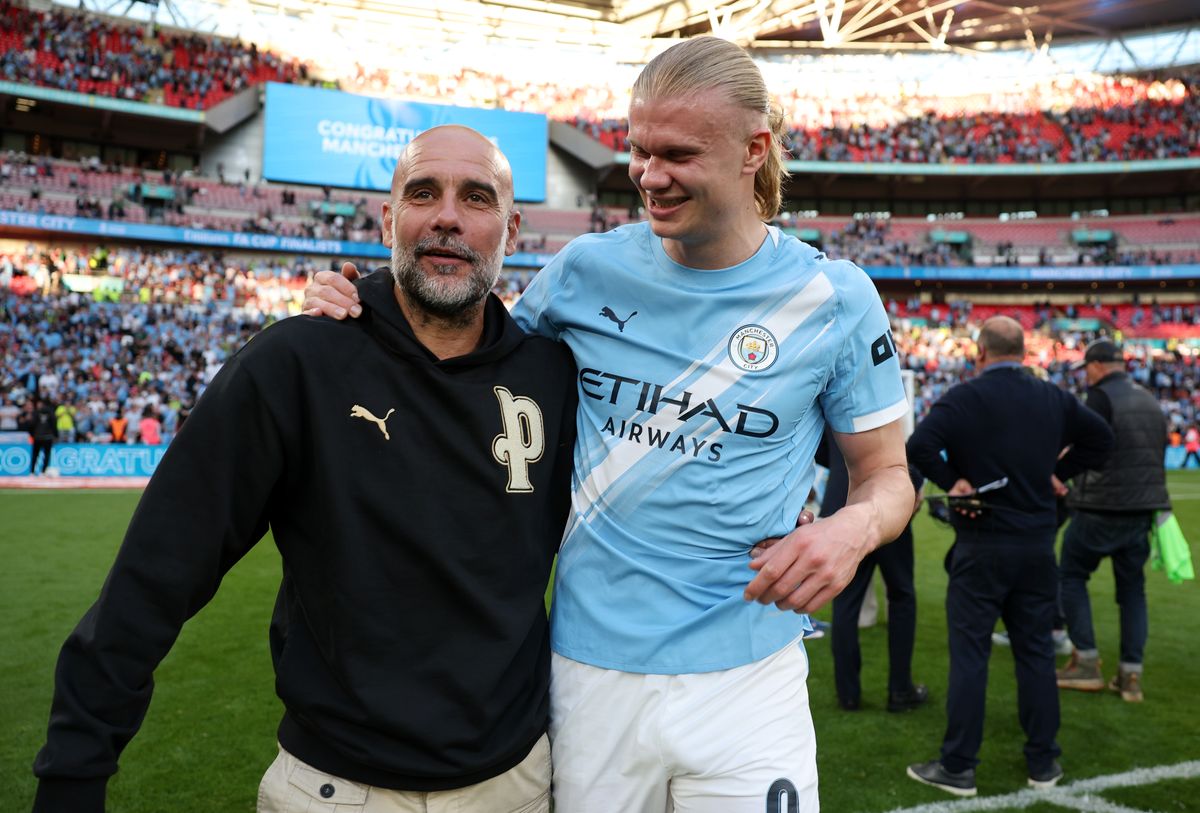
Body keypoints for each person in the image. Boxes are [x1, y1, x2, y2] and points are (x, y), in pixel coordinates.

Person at [303, 36, 915, 812]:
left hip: (749, 673)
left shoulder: (834, 299)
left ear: (753, 150)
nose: (649, 177)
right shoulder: (583, 271)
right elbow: (465, 367)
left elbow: (887, 476)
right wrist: (358, 305)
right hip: (588, 672)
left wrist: (850, 531)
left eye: (678, 154)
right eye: (638, 150)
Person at [32, 126, 578, 813]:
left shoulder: (554, 376)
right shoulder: (295, 363)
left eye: (476, 197)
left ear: (512, 227)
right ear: (388, 219)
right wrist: (74, 768)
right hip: (334, 790)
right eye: (422, 192)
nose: (447, 214)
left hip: (514, 787)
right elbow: (159, 568)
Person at [905, 316, 1113, 798]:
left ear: (980, 353)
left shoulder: (964, 396)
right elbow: (1101, 438)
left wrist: (954, 479)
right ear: (1023, 352)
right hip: (1037, 543)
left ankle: (959, 767)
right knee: (1036, 653)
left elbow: (919, 445)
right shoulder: (1052, 396)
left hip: (981, 543)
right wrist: (1058, 472)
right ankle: (1044, 761)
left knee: (971, 656)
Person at [1056, 338, 1170, 702]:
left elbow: (1085, 447)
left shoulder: (1100, 398)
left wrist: (1057, 473)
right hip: (1141, 509)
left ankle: (1086, 661)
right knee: (1132, 590)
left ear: (1097, 365)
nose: (1086, 375)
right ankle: (1130, 675)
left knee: (1071, 575)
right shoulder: (1150, 399)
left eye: (1087, 368)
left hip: (1099, 505)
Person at [818, 428, 928, 713]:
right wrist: (913, 483)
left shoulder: (828, 399)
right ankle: (899, 689)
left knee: (845, 601)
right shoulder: (871, 394)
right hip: (883, 501)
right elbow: (896, 452)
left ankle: (848, 694)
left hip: (842, 503)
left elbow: (819, 450)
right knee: (901, 595)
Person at [23, 396, 58, 475]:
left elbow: (31, 424)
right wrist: (55, 435)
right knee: (46, 455)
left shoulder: (36, 412)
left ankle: (32, 472)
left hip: (37, 437)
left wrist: (32, 434)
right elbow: (54, 425)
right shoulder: (51, 413)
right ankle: (43, 471)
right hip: (48, 437)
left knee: (35, 455)